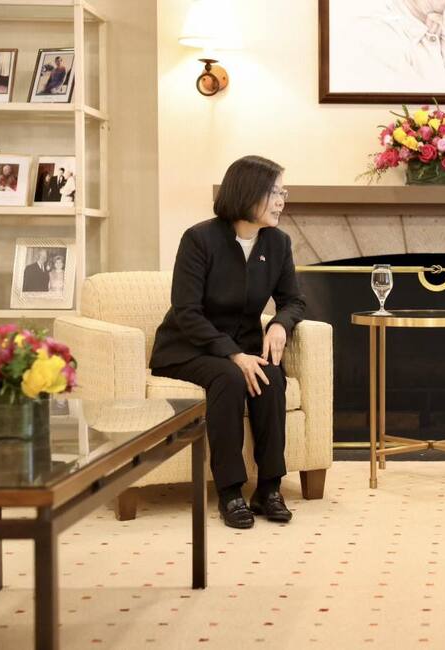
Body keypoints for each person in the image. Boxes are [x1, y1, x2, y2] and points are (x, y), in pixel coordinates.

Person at [149, 155, 305, 530]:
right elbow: (186, 311)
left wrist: (281, 325)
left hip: (245, 345)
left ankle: (268, 487)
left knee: (272, 378)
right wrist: (234, 354)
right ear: (248, 192)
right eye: (274, 192)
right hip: (188, 347)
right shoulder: (200, 239)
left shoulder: (278, 243)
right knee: (230, 378)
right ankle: (230, 490)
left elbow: (293, 300)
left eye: (283, 192)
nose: (282, 200)